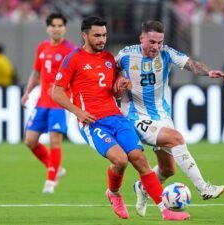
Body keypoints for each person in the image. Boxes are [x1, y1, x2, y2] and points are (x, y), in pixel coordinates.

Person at [51, 16, 190, 221]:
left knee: (139, 159)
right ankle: (114, 193)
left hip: (117, 117)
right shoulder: (73, 58)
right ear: (85, 35)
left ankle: (165, 210)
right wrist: (78, 112)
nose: (101, 39)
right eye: (97, 35)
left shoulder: (109, 59)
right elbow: (56, 92)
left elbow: (113, 92)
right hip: (92, 122)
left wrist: (120, 87)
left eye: (104, 35)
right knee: (120, 160)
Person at [116, 20, 224, 217]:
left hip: (161, 115)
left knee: (168, 169)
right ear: (141, 38)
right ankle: (204, 188)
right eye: (152, 42)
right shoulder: (126, 55)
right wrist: (118, 83)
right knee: (176, 138)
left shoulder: (166, 53)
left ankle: (142, 187)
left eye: (159, 42)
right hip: (135, 116)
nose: (156, 47)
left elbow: (190, 64)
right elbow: (109, 71)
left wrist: (208, 72)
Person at [21, 12, 76, 194]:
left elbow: (77, 75)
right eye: (54, 26)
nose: (57, 29)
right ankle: (55, 168)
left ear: (64, 28)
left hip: (59, 103)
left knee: (55, 141)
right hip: (42, 102)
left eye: (60, 26)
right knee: (30, 140)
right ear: (48, 28)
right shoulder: (42, 47)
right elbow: (36, 73)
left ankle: (50, 182)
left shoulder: (70, 50)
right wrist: (27, 93)